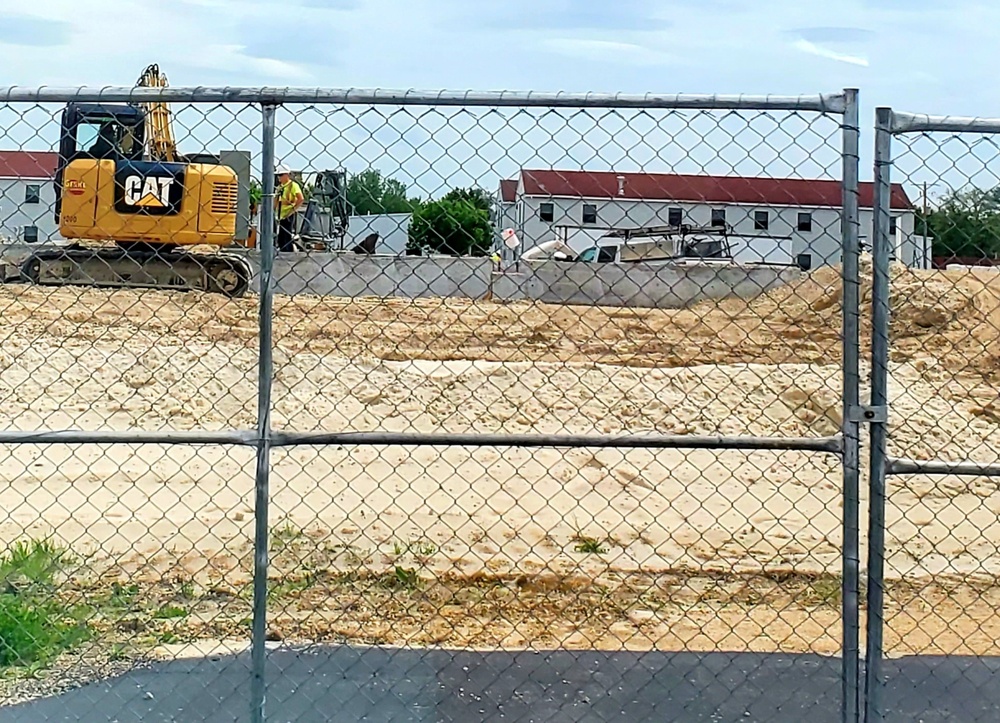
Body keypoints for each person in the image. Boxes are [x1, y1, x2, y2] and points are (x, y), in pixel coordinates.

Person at [274, 164, 304, 253]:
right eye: (278, 175)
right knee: (281, 239)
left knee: (286, 238)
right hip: (281, 215)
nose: (279, 178)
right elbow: (276, 201)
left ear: (287, 175)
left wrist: (292, 211)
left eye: (280, 175)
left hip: (288, 215)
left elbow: (301, 199)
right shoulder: (280, 187)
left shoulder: (293, 185)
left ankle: (288, 255)